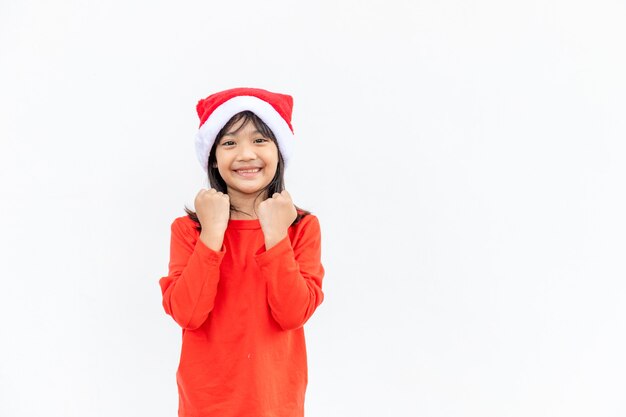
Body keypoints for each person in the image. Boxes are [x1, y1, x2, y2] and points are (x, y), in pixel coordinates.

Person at [158, 87, 325, 417]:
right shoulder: (189, 230)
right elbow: (188, 314)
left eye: (260, 140)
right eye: (230, 142)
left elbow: (292, 314)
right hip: (206, 404)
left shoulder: (301, 227)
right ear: (214, 158)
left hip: (275, 403)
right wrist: (212, 232)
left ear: (280, 151)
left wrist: (276, 234)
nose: (246, 153)